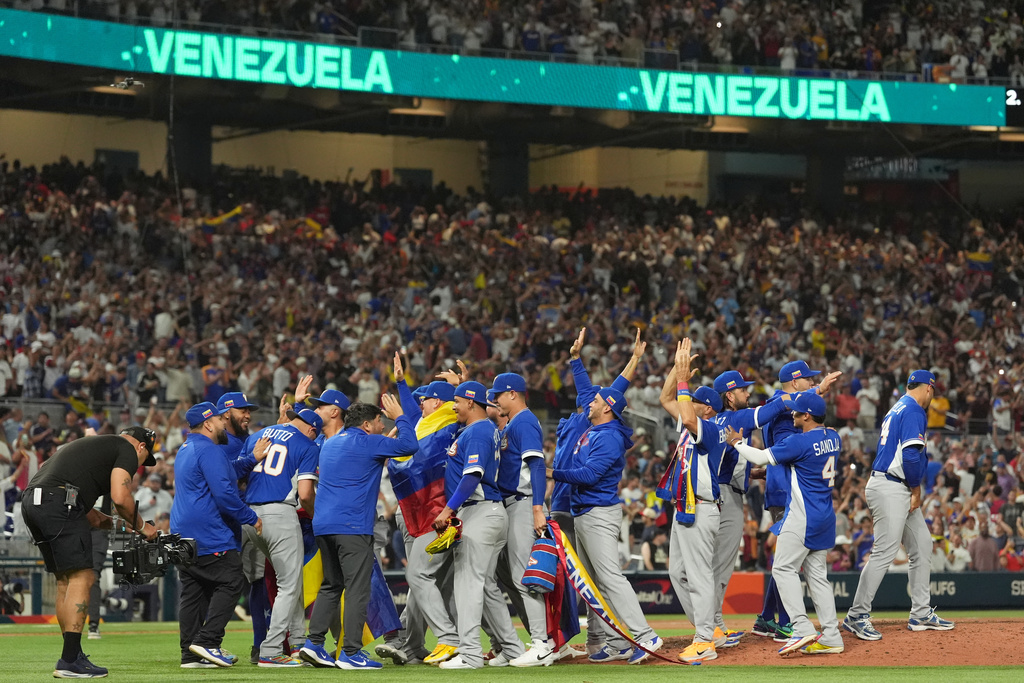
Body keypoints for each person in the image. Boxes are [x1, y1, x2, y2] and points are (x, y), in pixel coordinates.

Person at [21, 427, 160, 678]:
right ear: (141, 446)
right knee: (83, 577)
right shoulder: (126, 448)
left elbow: (93, 517)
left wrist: (127, 526)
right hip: (59, 501)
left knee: (66, 579)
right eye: (143, 460)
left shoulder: (93, 452)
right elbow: (120, 496)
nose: (139, 466)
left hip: (34, 501)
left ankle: (72, 655)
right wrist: (143, 527)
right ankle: (70, 660)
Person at [300, 397, 417, 671]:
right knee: (357, 589)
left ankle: (314, 644)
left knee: (331, 585)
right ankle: (351, 652)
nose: (382, 424)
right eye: (379, 421)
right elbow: (411, 445)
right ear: (366, 424)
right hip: (352, 527)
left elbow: (363, 458)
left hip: (324, 525)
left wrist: (382, 442)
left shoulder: (331, 443)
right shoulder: (370, 443)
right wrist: (401, 416)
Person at [550, 385, 662, 664]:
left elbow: (589, 474)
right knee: (595, 583)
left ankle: (645, 635)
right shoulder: (594, 430)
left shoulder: (609, 436)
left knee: (610, 577)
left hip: (598, 513)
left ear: (607, 408)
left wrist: (552, 473)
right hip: (586, 512)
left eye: (596, 400)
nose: (590, 402)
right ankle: (617, 642)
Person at [728, 391, 845, 656]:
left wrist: (736, 442)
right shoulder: (833, 437)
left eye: (796, 411)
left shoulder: (799, 441)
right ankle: (831, 636)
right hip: (826, 515)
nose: (791, 414)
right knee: (817, 576)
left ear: (807, 416)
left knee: (782, 569)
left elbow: (759, 457)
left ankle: (801, 627)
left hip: (804, 515)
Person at [844, 370, 955, 640]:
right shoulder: (915, 410)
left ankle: (920, 612)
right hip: (892, 486)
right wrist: (916, 490)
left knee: (922, 544)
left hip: (893, 484)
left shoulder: (897, 407)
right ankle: (857, 615)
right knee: (884, 551)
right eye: (933, 390)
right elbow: (910, 456)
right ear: (928, 388)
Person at [431, 381, 525, 670]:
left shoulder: (479, 431)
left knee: (468, 584)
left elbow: (473, 475)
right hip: (486, 512)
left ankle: (470, 654)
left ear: (471, 403)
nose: (453, 406)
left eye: (457, 401)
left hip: (480, 511)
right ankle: (512, 647)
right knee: (485, 586)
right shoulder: (480, 430)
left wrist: (447, 509)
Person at [375, 356, 461, 666]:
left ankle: (450, 640)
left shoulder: (447, 423)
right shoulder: (431, 422)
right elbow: (414, 419)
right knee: (422, 579)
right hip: (419, 511)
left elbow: (416, 453)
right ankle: (411, 647)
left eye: (425, 399)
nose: (419, 404)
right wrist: (401, 382)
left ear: (438, 402)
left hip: (436, 511)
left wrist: (461, 386)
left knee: (421, 576)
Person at [172, 402, 264, 669]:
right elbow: (225, 493)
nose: (225, 423)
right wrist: (250, 517)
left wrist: (251, 459)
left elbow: (224, 471)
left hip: (183, 533)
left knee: (194, 591)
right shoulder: (209, 449)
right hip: (209, 531)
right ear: (209, 424)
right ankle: (208, 641)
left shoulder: (186, 448)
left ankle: (190, 654)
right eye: (220, 420)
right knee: (233, 580)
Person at [755, 360, 841, 640]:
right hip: (789, 488)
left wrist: (816, 390)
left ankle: (769, 618)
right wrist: (819, 389)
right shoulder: (782, 401)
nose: (810, 383)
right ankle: (788, 623)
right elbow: (792, 402)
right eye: (806, 380)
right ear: (794, 382)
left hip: (786, 481)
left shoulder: (789, 405)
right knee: (788, 563)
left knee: (786, 560)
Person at [657, 339, 727, 663]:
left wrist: (685, 380)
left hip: (700, 508)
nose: (689, 400)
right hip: (684, 506)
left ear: (708, 409)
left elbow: (686, 416)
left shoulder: (710, 430)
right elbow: (666, 398)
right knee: (677, 573)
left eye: (696, 400)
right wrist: (676, 369)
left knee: (699, 576)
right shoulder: (691, 420)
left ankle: (704, 641)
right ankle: (708, 629)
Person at [709, 369, 789, 641]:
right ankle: (713, 625)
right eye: (743, 390)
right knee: (721, 565)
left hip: (717, 491)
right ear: (729, 396)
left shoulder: (717, 420)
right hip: (725, 496)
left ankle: (713, 622)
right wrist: (808, 392)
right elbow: (770, 410)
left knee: (715, 564)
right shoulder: (734, 417)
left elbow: (726, 461)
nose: (747, 393)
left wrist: (751, 474)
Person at [241, 408, 321, 667]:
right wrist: (317, 517)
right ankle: (272, 649)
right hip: (280, 514)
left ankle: (297, 642)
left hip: (251, 517)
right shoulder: (307, 444)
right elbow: (306, 494)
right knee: (289, 584)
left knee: (291, 580)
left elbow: (238, 476)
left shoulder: (257, 436)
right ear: (311, 429)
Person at [487, 371, 551, 667]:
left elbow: (537, 465)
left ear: (512, 394)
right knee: (512, 577)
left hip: (524, 503)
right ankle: (537, 641)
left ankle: (542, 644)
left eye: (498, 395)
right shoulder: (514, 422)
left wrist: (538, 507)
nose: (495, 400)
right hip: (512, 503)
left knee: (525, 577)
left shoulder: (524, 421)